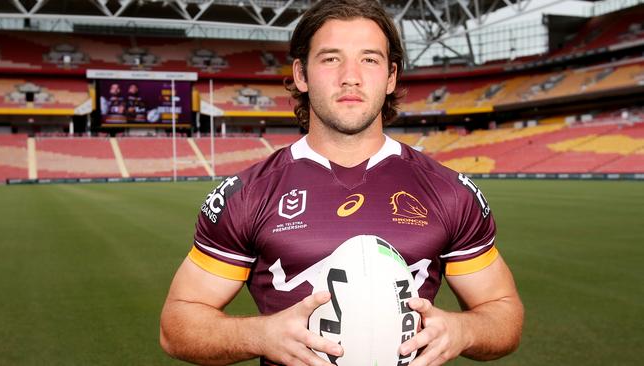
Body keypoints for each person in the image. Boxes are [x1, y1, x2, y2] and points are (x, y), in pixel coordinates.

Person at [160, 0, 524, 365]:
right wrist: (258, 334)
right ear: (301, 74)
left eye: (369, 59)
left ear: (391, 76)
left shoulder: (449, 192)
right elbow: (177, 325)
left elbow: (502, 312)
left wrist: (465, 330)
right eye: (331, 58)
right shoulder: (249, 195)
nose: (351, 76)